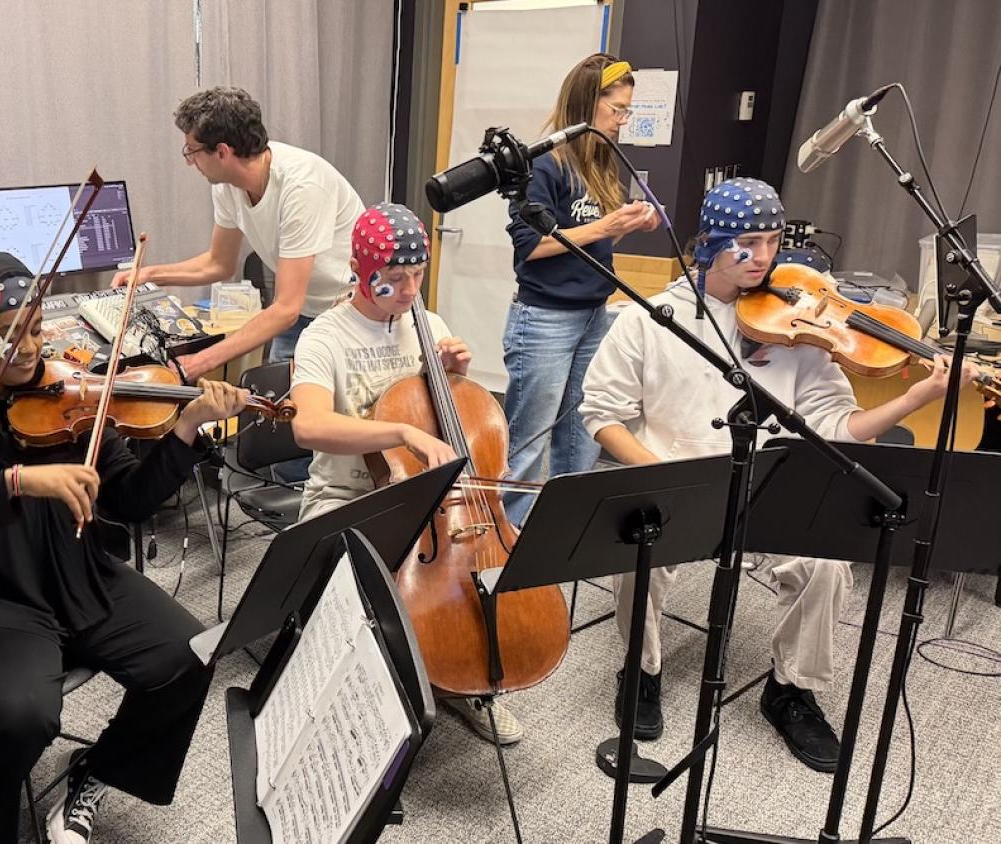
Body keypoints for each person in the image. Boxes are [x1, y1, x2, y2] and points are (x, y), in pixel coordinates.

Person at [579, 178, 975, 772]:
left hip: (770, 487)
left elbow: (838, 424)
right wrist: (658, 474)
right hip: (677, 483)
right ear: (710, 243)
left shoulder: (796, 326)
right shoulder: (649, 319)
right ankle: (641, 668)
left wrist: (920, 394)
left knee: (825, 564)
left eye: (770, 241)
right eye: (747, 243)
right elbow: (601, 415)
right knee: (638, 550)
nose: (763, 258)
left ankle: (790, 689)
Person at [0, 252, 247, 844]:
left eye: (33, 326)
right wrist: (15, 481)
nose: (26, 348)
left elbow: (128, 501)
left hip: (72, 571)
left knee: (189, 655)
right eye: (2, 337)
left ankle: (96, 773)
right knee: (18, 716)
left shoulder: (70, 390)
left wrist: (184, 430)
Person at [288, 202, 524, 746]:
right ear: (360, 270)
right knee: (359, 590)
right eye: (395, 279)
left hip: (434, 501)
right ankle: (351, 701)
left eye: (418, 274)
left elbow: (445, 415)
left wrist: (454, 378)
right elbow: (309, 426)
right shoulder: (325, 337)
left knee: (477, 579)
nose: (412, 289)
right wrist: (400, 434)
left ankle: (469, 684)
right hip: (347, 494)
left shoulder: (427, 323)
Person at [501, 53, 661, 524]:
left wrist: (628, 225)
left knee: (581, 435)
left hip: (594, 312)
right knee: (529, 440)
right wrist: (605, 225)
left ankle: (563, 533)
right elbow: (530, 247)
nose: (622, 121)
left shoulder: (602, 161)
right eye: (617, 110)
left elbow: (590, 238)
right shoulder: (542, 165)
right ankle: (508, 539)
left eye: (627, 111)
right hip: (545, 319)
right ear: (586, 105)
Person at [112, 86, 364, 380]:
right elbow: (219, 263)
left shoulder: (302, 187)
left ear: (222, 152)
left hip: (347, 312)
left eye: (191, 152)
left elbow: (285, 308)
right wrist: (147, 275)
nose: (188, 161)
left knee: (315, 415)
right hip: (302, 308)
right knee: (280, 408)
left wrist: (198, 363)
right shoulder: (227, 186)